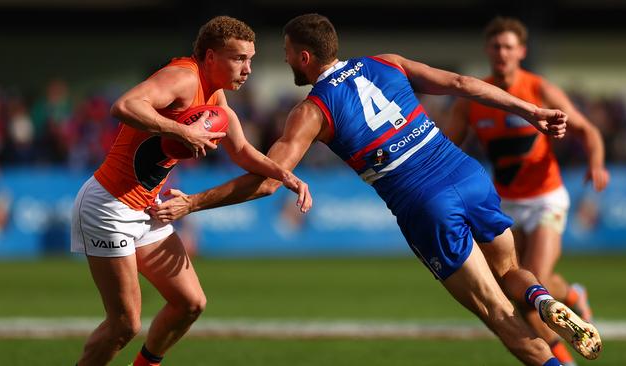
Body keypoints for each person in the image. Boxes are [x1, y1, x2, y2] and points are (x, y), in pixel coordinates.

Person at [150, 14, 601, 365]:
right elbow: (463, 85)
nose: (285, 60)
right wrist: (530, 111)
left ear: (305, 56)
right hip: (466, 174)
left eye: (287, 53)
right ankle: (542, 298)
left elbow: (269, 180)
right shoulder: (386, 62)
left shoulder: (311, 111)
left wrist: (193, 201)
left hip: (426, 202)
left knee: (496, 312)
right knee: (511, 273)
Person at [70, 16, 312, 366]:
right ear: (210, 57)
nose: (247, 69)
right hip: (109, 206)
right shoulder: (183, 77)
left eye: (251, 60)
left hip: (145, 208)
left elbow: (242, 151)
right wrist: (181, 132)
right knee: (125, 324)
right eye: (238, 58)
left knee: (190, 303)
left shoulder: (216, 94)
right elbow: (123, 106)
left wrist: (287, 175)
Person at [443, 16, 609, 365]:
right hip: (507, 204)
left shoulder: (539, 89)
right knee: (520, 292)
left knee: (539, 286)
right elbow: (445, 149)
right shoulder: (474, 98)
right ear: (488, 51)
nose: (501, 53)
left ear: (521, 51)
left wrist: (596, 163)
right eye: (495, 46)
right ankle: (574, 296)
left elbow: (587, 130)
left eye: (508, 46)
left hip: (546, 198)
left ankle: (562, 360)